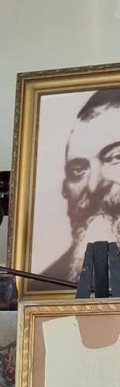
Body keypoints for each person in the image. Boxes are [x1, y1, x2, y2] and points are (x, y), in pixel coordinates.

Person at [40, 88, 120, 282]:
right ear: (65, 189)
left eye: (116, 157)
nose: (93, 186)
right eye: (78, 170)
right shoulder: (45, 284)